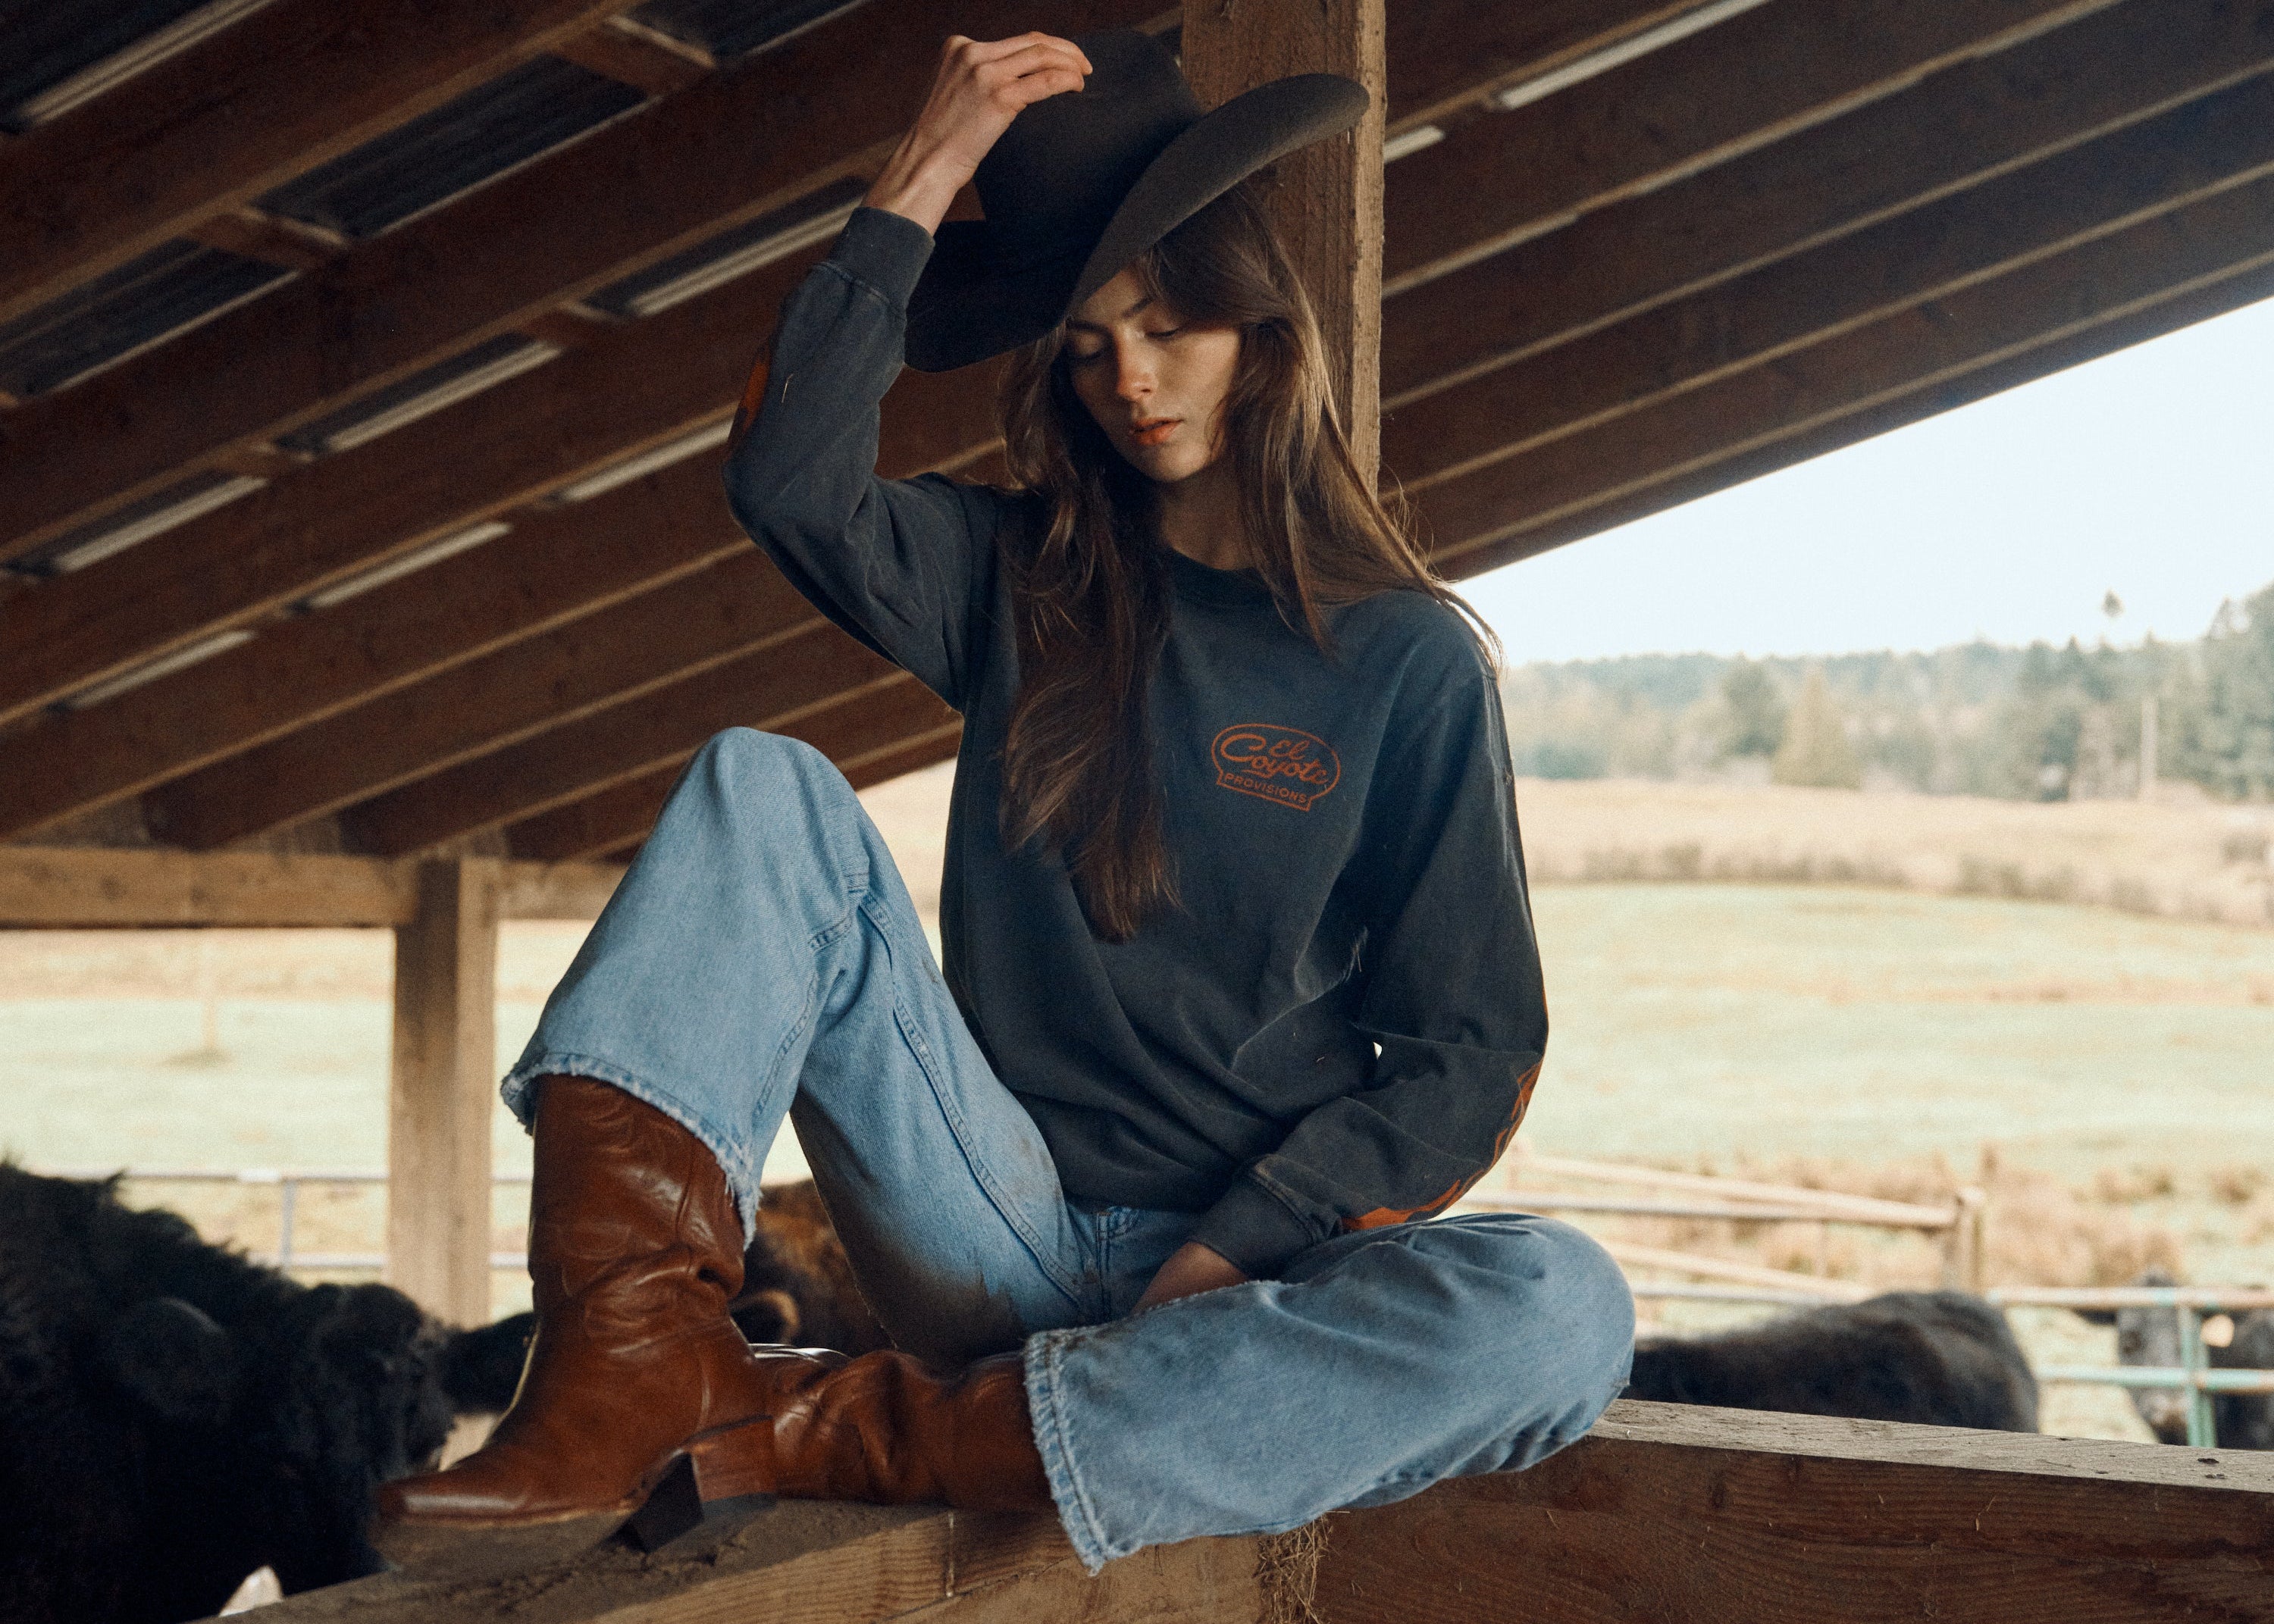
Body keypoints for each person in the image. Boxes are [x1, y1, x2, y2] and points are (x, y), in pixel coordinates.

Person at [375, 27, 1633, 1579]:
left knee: (1565, 1307)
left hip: (1245, 1276)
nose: (1132, 380)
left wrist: (1225, 1257)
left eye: (1171, 325)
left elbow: (1470, 1051)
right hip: (994, 1219)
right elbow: (787, 485)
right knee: (761, 783)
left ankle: (821, 1428)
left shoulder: (1405, 661)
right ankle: (627, 1371)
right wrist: (921, 179)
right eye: (1089, 342)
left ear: (1260, 322)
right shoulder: (1016, 576)